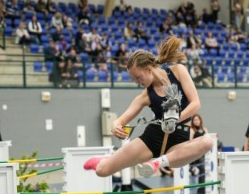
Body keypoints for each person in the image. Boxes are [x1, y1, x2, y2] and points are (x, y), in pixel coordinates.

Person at [83, 36, 213, 178]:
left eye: (138, 77)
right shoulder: (145, 96)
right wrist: (116, 127)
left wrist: (174, 119)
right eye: (134, 79)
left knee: (207, 142)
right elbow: (119, 121)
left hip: (178, 143)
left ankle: (157, 163)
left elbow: (196, 104)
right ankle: (105, 160)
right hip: (152, 139)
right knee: (102, 171)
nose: (137, 82)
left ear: (150, 70)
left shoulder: (178, 71)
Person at [190, 114, 208, 194]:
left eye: (198, 120)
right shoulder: (192, 130)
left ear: (200, 120)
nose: (196, 121)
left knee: (202, 171)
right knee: (199, 169)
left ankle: (201, 190)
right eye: (194, 120)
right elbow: (190, 142)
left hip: (202, 153)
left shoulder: (204, 129)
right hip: (195, 153)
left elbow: (208, 139)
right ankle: (192, 169)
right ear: (193, 122)